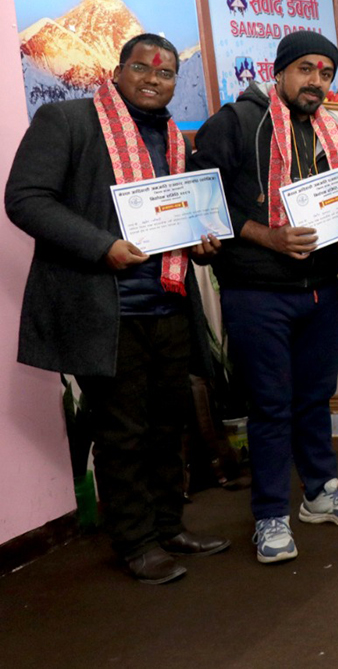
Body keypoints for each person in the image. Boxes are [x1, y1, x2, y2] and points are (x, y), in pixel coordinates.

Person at [5, 34, 229, 584]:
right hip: (105, 309)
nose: (154, 79)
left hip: (169, 303)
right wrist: (101, 245)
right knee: (123, 433)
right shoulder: (68, 120)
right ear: (117, 70)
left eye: (167, 72)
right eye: (142, 68)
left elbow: (181, 214)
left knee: (167, 425)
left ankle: (169, 526)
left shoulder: (174, 139)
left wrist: (202, 241)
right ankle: (136, 542)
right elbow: (25, 199)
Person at [192, 31, 338, 564]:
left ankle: (320, 491)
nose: (316, 81)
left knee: (314, 398)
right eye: (306, 69)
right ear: (279, 72)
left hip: (318, 287)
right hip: (256, 291)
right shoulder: (235, 122)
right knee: (271, 406)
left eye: (326, 73)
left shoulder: (330, 132)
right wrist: (266, 235)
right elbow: (202, 203)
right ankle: (271, 513)